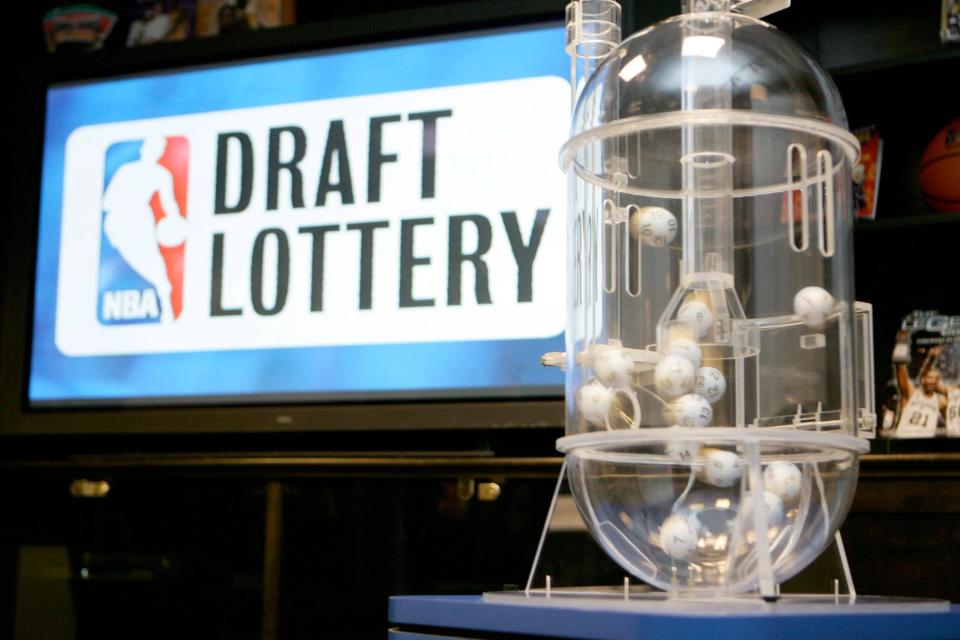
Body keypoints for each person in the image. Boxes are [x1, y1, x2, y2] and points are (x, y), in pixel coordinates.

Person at [101, 136, 183, 323]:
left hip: (142, 221)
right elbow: (107, 202)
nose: (154, 152)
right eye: (151, 147)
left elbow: (170, 205)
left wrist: (176, 222)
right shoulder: (126, 170)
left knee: (157, 270)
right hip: (119, 221)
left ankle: (167, 313)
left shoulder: (162, 175)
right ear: (143, 149)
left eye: (158, 149)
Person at [895, 342, 948, 437]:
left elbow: (953, 420)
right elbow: (900, 368)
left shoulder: (940, 401)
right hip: (904, 439)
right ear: (923, 380)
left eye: (935, 379)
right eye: (929, 378)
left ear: (938, 382)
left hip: (924, 442)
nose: (931, 381)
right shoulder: (911, 392)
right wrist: (902, 342)